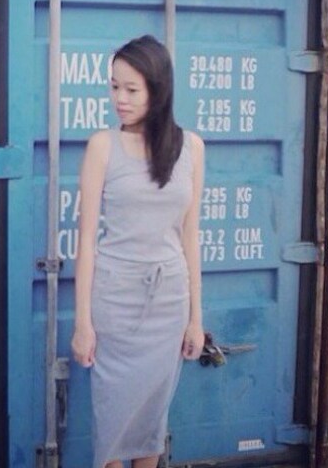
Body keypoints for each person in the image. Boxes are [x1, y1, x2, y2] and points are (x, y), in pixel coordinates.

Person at [71, 35, 205, 468]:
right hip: (115, 302)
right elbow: (86, 242)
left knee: (151, 424)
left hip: (169, 302)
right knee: (112, 423)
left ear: (158, 89)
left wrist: (196, 319)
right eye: (114, 87)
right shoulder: (102, 146)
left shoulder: (192, 148)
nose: (120, 99)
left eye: (131, 89)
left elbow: (190, 236)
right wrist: (83, 323)